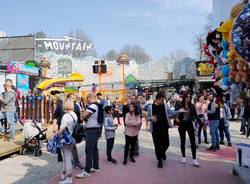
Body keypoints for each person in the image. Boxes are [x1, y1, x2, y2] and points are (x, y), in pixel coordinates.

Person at [147, 91, 181, 168]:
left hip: (164, 129)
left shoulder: (165, 105)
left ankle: (162, 153)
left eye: (163, 100)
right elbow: (147, 117)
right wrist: (151, 118)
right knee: (157, 146)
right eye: (162, 100)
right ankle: (159, 160)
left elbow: (172, 113)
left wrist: (179, 111)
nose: (163, 101)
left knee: (166, 144)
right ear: (157, 99)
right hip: (155, 130)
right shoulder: (150, 107)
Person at [53, 94, 83, 169]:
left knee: (70, 149)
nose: (74, 99)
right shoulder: (61, 106)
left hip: (69, 132)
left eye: (75, 98)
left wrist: (57, 135)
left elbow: (79, 119)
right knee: (68, 149)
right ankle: (71, 163)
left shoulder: (75, 107)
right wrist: (54, 127)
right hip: (65, 132)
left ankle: (73, 164)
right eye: (73, 98)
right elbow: (55, 117)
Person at [76, 93, 101, 178]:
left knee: (89, 150)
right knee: (94, 149)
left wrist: (82, 114)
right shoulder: (97, 105)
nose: (86, 100)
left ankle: (87, 170)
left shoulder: (92, 106)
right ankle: (96, 167)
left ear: (90, 97)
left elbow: (82, 116)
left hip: (91, 130)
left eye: (87, 98)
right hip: (96, 129)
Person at [176, 93, 200, 167]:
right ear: (184, 98)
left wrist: (201, 123)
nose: (188, 98)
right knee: (182, 141)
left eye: (189, 97)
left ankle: (194, 159)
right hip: (182, 125)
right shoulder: (180, 105)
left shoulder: (192, 106)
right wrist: (177, 118)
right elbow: (176, 114)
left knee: (193, 142)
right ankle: (183, 156)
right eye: (187, 97)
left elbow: (196, 116)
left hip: (189, 125)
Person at [57, 98, 77, 184]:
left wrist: (56, 136)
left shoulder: (66, 116)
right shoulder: (74, 114)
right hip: (72, 138)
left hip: (66, 139)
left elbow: (62, 128)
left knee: (67, 158)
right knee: (67, 157)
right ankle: (65, 173)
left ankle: (69, 178)